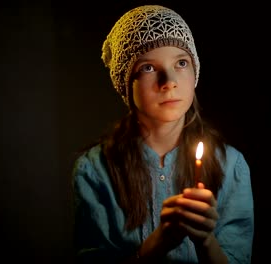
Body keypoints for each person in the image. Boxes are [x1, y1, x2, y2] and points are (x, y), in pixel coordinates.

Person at [72, 5, 254, 263]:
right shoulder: (93, 170)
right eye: (147, 68)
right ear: (126, 84)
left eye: (181, 63)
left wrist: (205, 241)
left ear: (195, 73)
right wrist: (158, 243)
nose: (169, 81)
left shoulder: (231, 166)